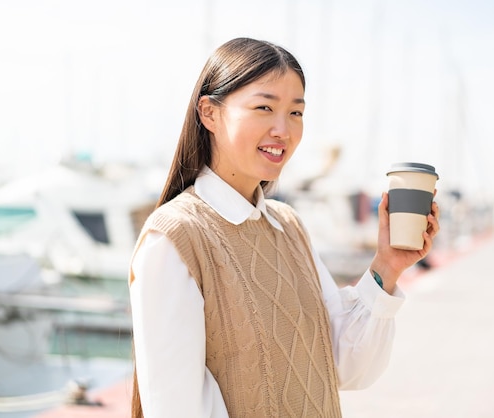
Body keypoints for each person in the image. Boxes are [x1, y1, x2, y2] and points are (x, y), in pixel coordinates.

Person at [128, 37, 440, 418]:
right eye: (264, 108)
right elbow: (176, 409)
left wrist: (387, 267)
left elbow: (343, 365)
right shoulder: (175, 238)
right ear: (209, 113)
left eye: (296, 113)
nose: (284, 130)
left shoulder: (288, 226)